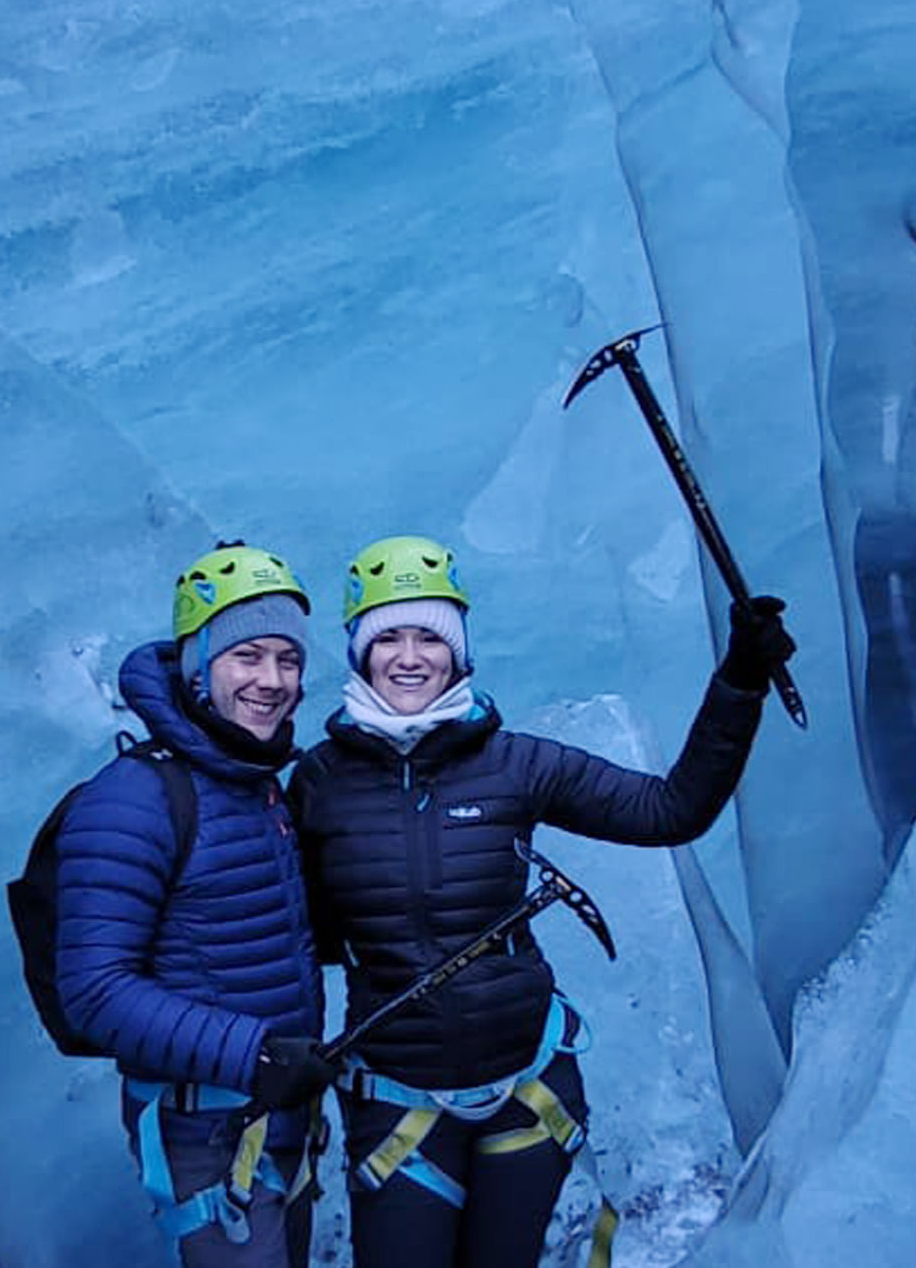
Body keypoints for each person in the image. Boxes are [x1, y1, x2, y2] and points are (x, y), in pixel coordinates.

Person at [289, 535, 795, 1267]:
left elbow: (669, 810)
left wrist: (739, 682)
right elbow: (292, 931)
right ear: (359, 651)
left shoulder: (516, 764)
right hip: (397, 1101)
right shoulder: (318, 783)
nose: (408, 656)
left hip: (527, 1092)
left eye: (429, 635)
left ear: (458, 650)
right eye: (387, 636)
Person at [54, 541, 340, 1267]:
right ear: (197, 664)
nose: (272, 680)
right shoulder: (134, 796)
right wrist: (255, 1052)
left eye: (288, 658)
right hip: (205, 1135)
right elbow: (93, 989)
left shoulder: (255, 783)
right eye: (247, 656)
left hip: (275, 1117)